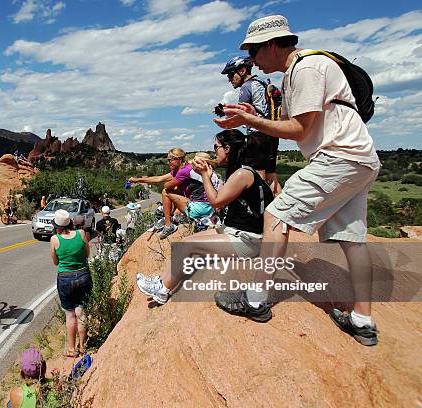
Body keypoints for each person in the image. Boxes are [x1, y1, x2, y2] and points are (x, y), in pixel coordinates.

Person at [215, 15, 381, 346]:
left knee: (277, 215)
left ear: (272, 45)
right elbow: (297, 126)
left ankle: (255, 299)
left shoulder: (304, 68)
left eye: (254, 52)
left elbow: (300, 131)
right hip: (360, 159)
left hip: (337, 157)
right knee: (352, 239)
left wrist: (250, 120)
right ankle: (362, 320)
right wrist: (256, 116)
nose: (253, 61)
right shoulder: (306, 67)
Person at [137, 130, 273, 305]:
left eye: (216, 147)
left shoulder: (242, 174)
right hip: (237, 230)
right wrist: (208, 177)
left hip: (247, 240)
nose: (214, 152)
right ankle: (161, 282)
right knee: (186, 243)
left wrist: (203, 176)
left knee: (188, 245)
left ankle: (163, 288)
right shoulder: (242, 171)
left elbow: (216, 201)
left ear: (227, 148)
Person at [221, 55, 280, 192]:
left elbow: (240, 114)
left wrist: (222, 111)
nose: (229, 79)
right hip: (271, 134)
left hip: (257, 136)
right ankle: (283, 211)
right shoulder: (262, 82)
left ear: (242, 71)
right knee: (271, 178)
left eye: (231, 75)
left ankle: (261, 212)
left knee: (257, 178)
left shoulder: (246, 87)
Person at [129, 148, 217, 239]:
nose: (168, 163)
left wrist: (174, 184)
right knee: (177, 189)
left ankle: (168, 225)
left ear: (178, 160)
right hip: (208, 207)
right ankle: (171, 218)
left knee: (166, 192)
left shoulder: (184, 171)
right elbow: (159, 179)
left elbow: (166, 186)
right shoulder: (185, 168)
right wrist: (137, 180)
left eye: (170, 160)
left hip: (200, 209)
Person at [49, 209, 91, 357]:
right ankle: (83, 346)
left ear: (57, 226)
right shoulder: (81, 234)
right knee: (81, 311)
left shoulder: (55, 239)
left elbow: (55, 262)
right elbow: (88, 254)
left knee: (70, 314)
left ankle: (72, 349)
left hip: (65, 278)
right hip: (83, 275)